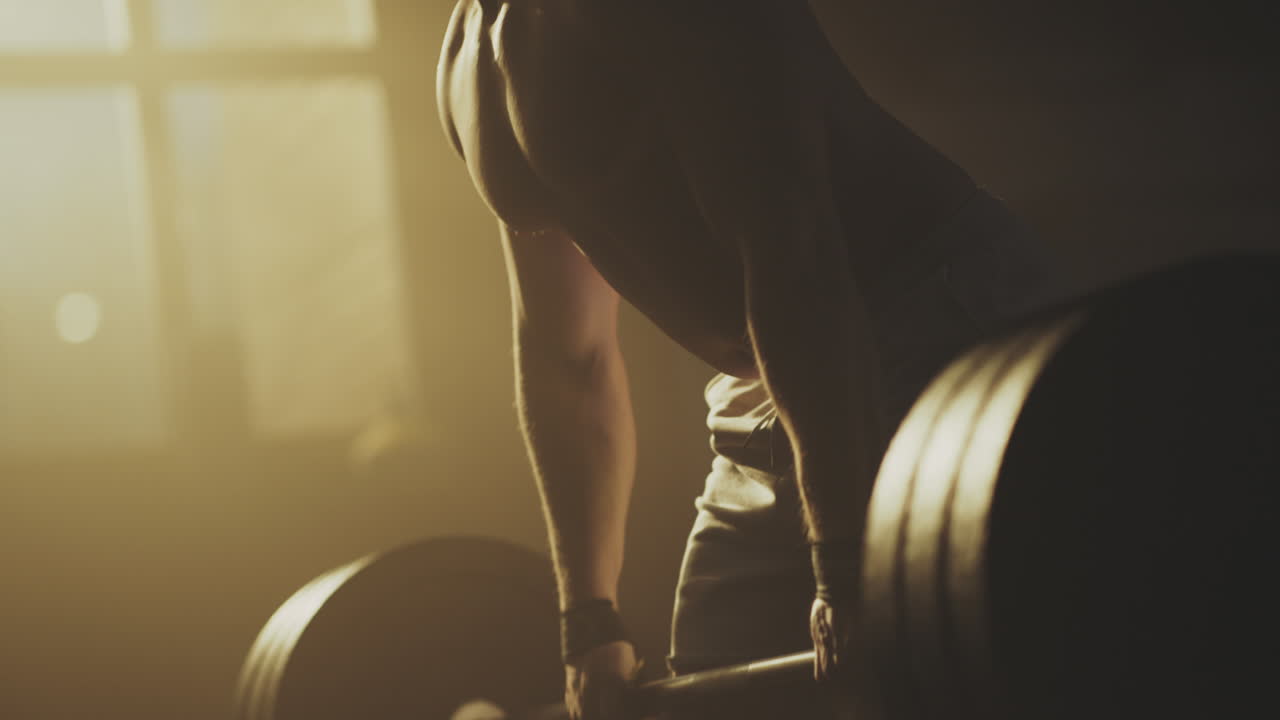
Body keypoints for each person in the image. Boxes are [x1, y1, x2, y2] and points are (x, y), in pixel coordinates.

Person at [436, 1, 1062, 717]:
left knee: (932, 676)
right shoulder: (467, 55)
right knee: (716, 684)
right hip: (774, 382)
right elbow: (566, 356)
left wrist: (845, 567)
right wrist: (589, 620)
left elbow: (793, 254)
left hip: (944, 326)